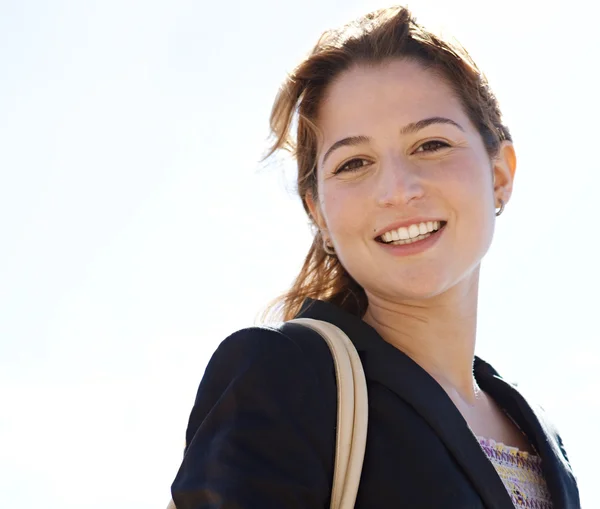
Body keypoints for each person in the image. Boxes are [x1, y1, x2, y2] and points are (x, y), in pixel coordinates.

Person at [169, 6, 580, 508]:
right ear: (317, 211)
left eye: (430, 144)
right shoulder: (285, 377)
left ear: (500, 173)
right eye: (354, 163)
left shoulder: (543, 438)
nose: (397, 190)